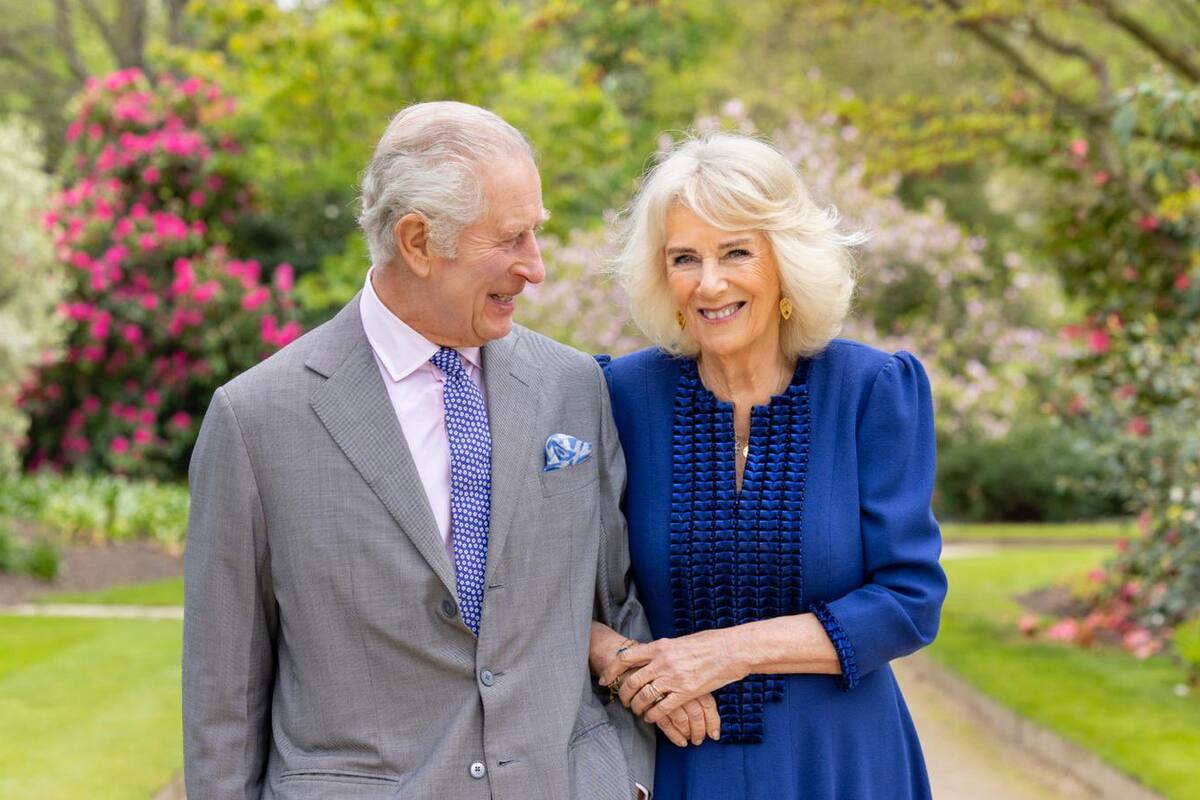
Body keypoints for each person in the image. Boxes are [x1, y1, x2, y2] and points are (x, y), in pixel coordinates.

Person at [182, 101, 660, 799]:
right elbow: (222, 696)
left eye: (538, 233)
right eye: (512, 238)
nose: (537, 267)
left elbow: (619, 600)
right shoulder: (256, 420)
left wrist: (624, 777)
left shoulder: (574, 386)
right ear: (417, 241)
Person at [593, 132, 948, 800]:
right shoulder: (616, 397)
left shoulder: (872, 390)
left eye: (735, 252)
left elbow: (910, 601)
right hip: (678, 763)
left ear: (784, 262)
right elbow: (549, 591)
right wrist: (623, 667)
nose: (710, 282)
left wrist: (724, 651)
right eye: (684, 258)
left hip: (843, 766)